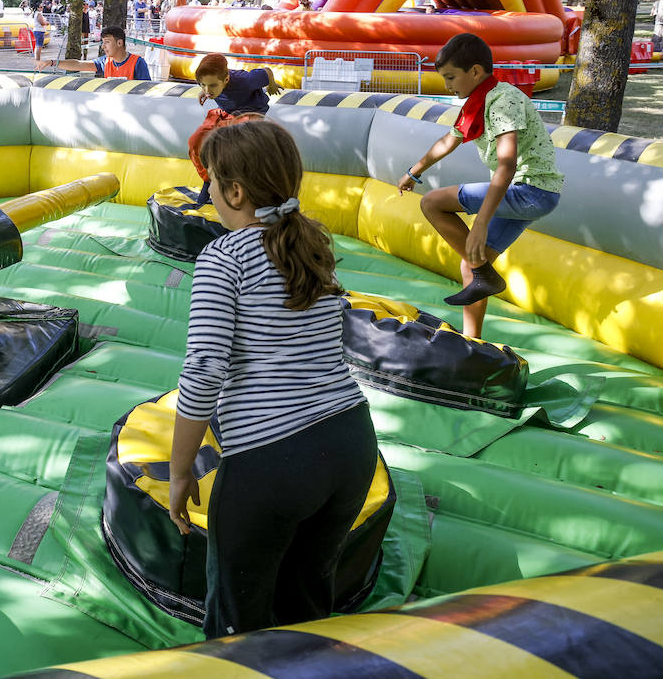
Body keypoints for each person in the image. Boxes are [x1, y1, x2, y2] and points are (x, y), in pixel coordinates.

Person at [167, 121, 376, 639]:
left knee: (239, 625)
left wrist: (178, 473)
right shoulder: (310, 244)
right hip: (350, 444)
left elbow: (204, 370)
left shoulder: (224, 257)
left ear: (235, 191)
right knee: (307, 607)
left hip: (274, 459)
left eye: (212, 180)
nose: (208, 191)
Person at [398, 32, 563, 336]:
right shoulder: (478, 101)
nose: (447, 85)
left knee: (432, 202)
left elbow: (507, 164)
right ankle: (472, 342)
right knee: (473, 264)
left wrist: (481, 223)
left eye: (451, 77)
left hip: (531, 190)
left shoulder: (504, 100)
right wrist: (414, 171)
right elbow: (450, 140)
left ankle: (483, 276)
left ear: (474, 71)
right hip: (529, 193)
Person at [37, 25, 149, 80]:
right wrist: (53, 62)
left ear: (119, 43)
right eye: (103, 42)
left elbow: (147, 90)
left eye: (107, 42)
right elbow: (79, 64)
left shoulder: (138, 63)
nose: (103, 46)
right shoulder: (105, 61)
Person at [193, 52, 281, 116]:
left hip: (254, 110)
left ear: (226, 79)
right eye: (203, 85)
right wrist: (204, 91)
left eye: (212, 85)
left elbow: (267, 71)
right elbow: (207, 84)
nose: (207, 89)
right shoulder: (204, 79)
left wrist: (271, 85)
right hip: (229, 110)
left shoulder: (244, 81)